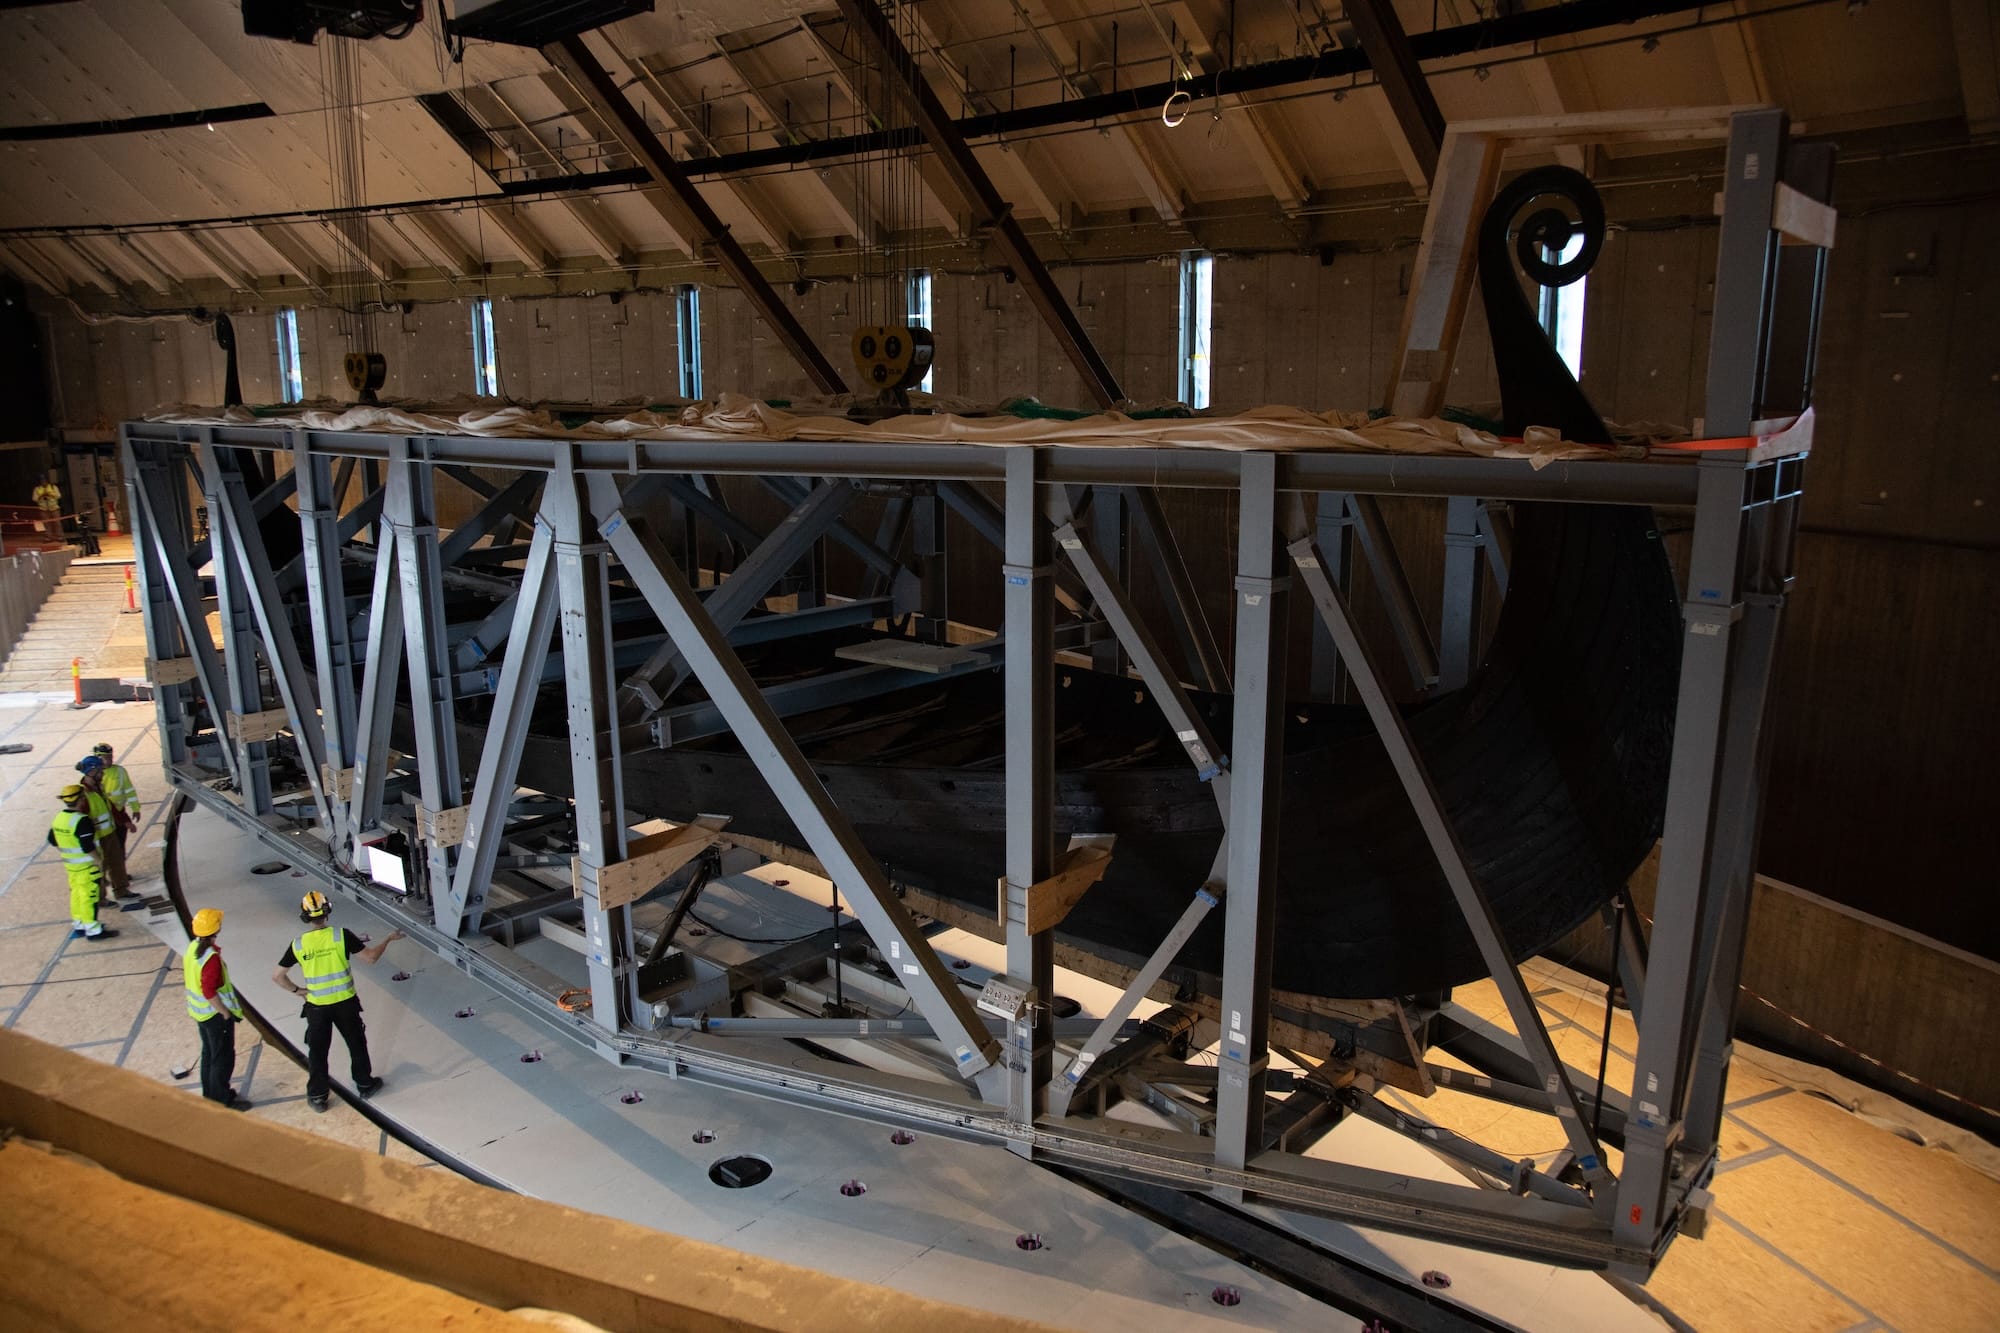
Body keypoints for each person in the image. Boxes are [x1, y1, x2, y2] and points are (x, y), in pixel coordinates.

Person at [270, 891, 403, 1112]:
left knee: (318, 1052)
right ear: (327, 911)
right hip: (345, 1004)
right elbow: (370, 958)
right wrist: (388, 939)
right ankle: (365, 1084)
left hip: (317, 1007)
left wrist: (298, 990)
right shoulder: (341, 936)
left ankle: (318, 1096)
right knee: (356, 1045)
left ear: (305, 916)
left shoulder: (298, 945)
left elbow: (277, 976)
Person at [184, 907, 251, 1111]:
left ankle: (210, 1095)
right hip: (214, 1015)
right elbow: (208, 991)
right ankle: (222, 1099)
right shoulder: (210, 958)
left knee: (209, 1054)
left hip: (200, 1014)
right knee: (222, 1058)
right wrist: (224, 1012)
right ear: (216, 929)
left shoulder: (193, 947)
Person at [48, 784, 117, 941]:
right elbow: (87, 847)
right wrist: (99, 862)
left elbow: (52, 840)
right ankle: (93, 930)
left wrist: (69, 852)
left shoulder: (59, 818)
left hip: (72, 867)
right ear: (81, 799)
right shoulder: (82, 821)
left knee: (77, 895)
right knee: (89, 897)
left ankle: (79, 924)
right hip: (87, 867)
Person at [74, 755, 130, 899]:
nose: (103, 774)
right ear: (92, 772)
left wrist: (124, 820)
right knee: (99, 868)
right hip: (97, 838)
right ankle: (101, 899)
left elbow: (109, 806)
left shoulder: (98, 788)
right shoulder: (84, 794)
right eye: (100, 771)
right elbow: (81, 817)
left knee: (116, 862)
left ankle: (122, 891)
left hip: (109, 833)